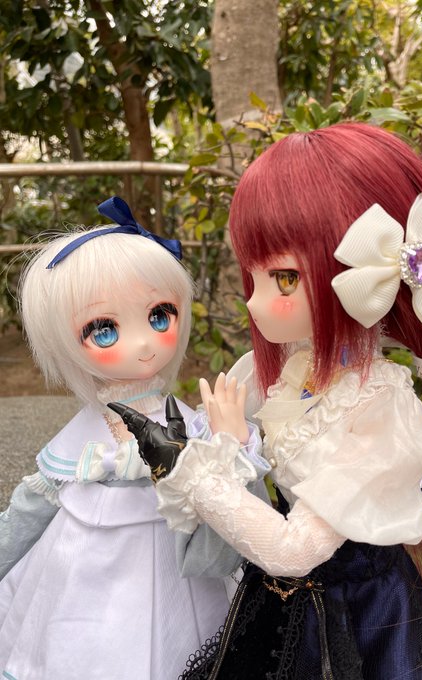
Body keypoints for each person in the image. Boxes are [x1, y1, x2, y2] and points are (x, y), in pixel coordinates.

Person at [124, 123, 422, 678]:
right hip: (280, 604)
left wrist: (192, 472)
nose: (255, 302)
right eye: (254, 275)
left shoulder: (380, 407)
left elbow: (293, 550)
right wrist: (231, 447)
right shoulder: (283, 370)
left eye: (284, 279)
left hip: (361, 617)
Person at [0, 197, 255, 679]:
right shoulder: (84, 445)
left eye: (160, 316)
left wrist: (231, 445)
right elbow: (31, 509)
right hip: (92, 569)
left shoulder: (184, 419)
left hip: (179, 558)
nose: (142, 344)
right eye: (104, 329)